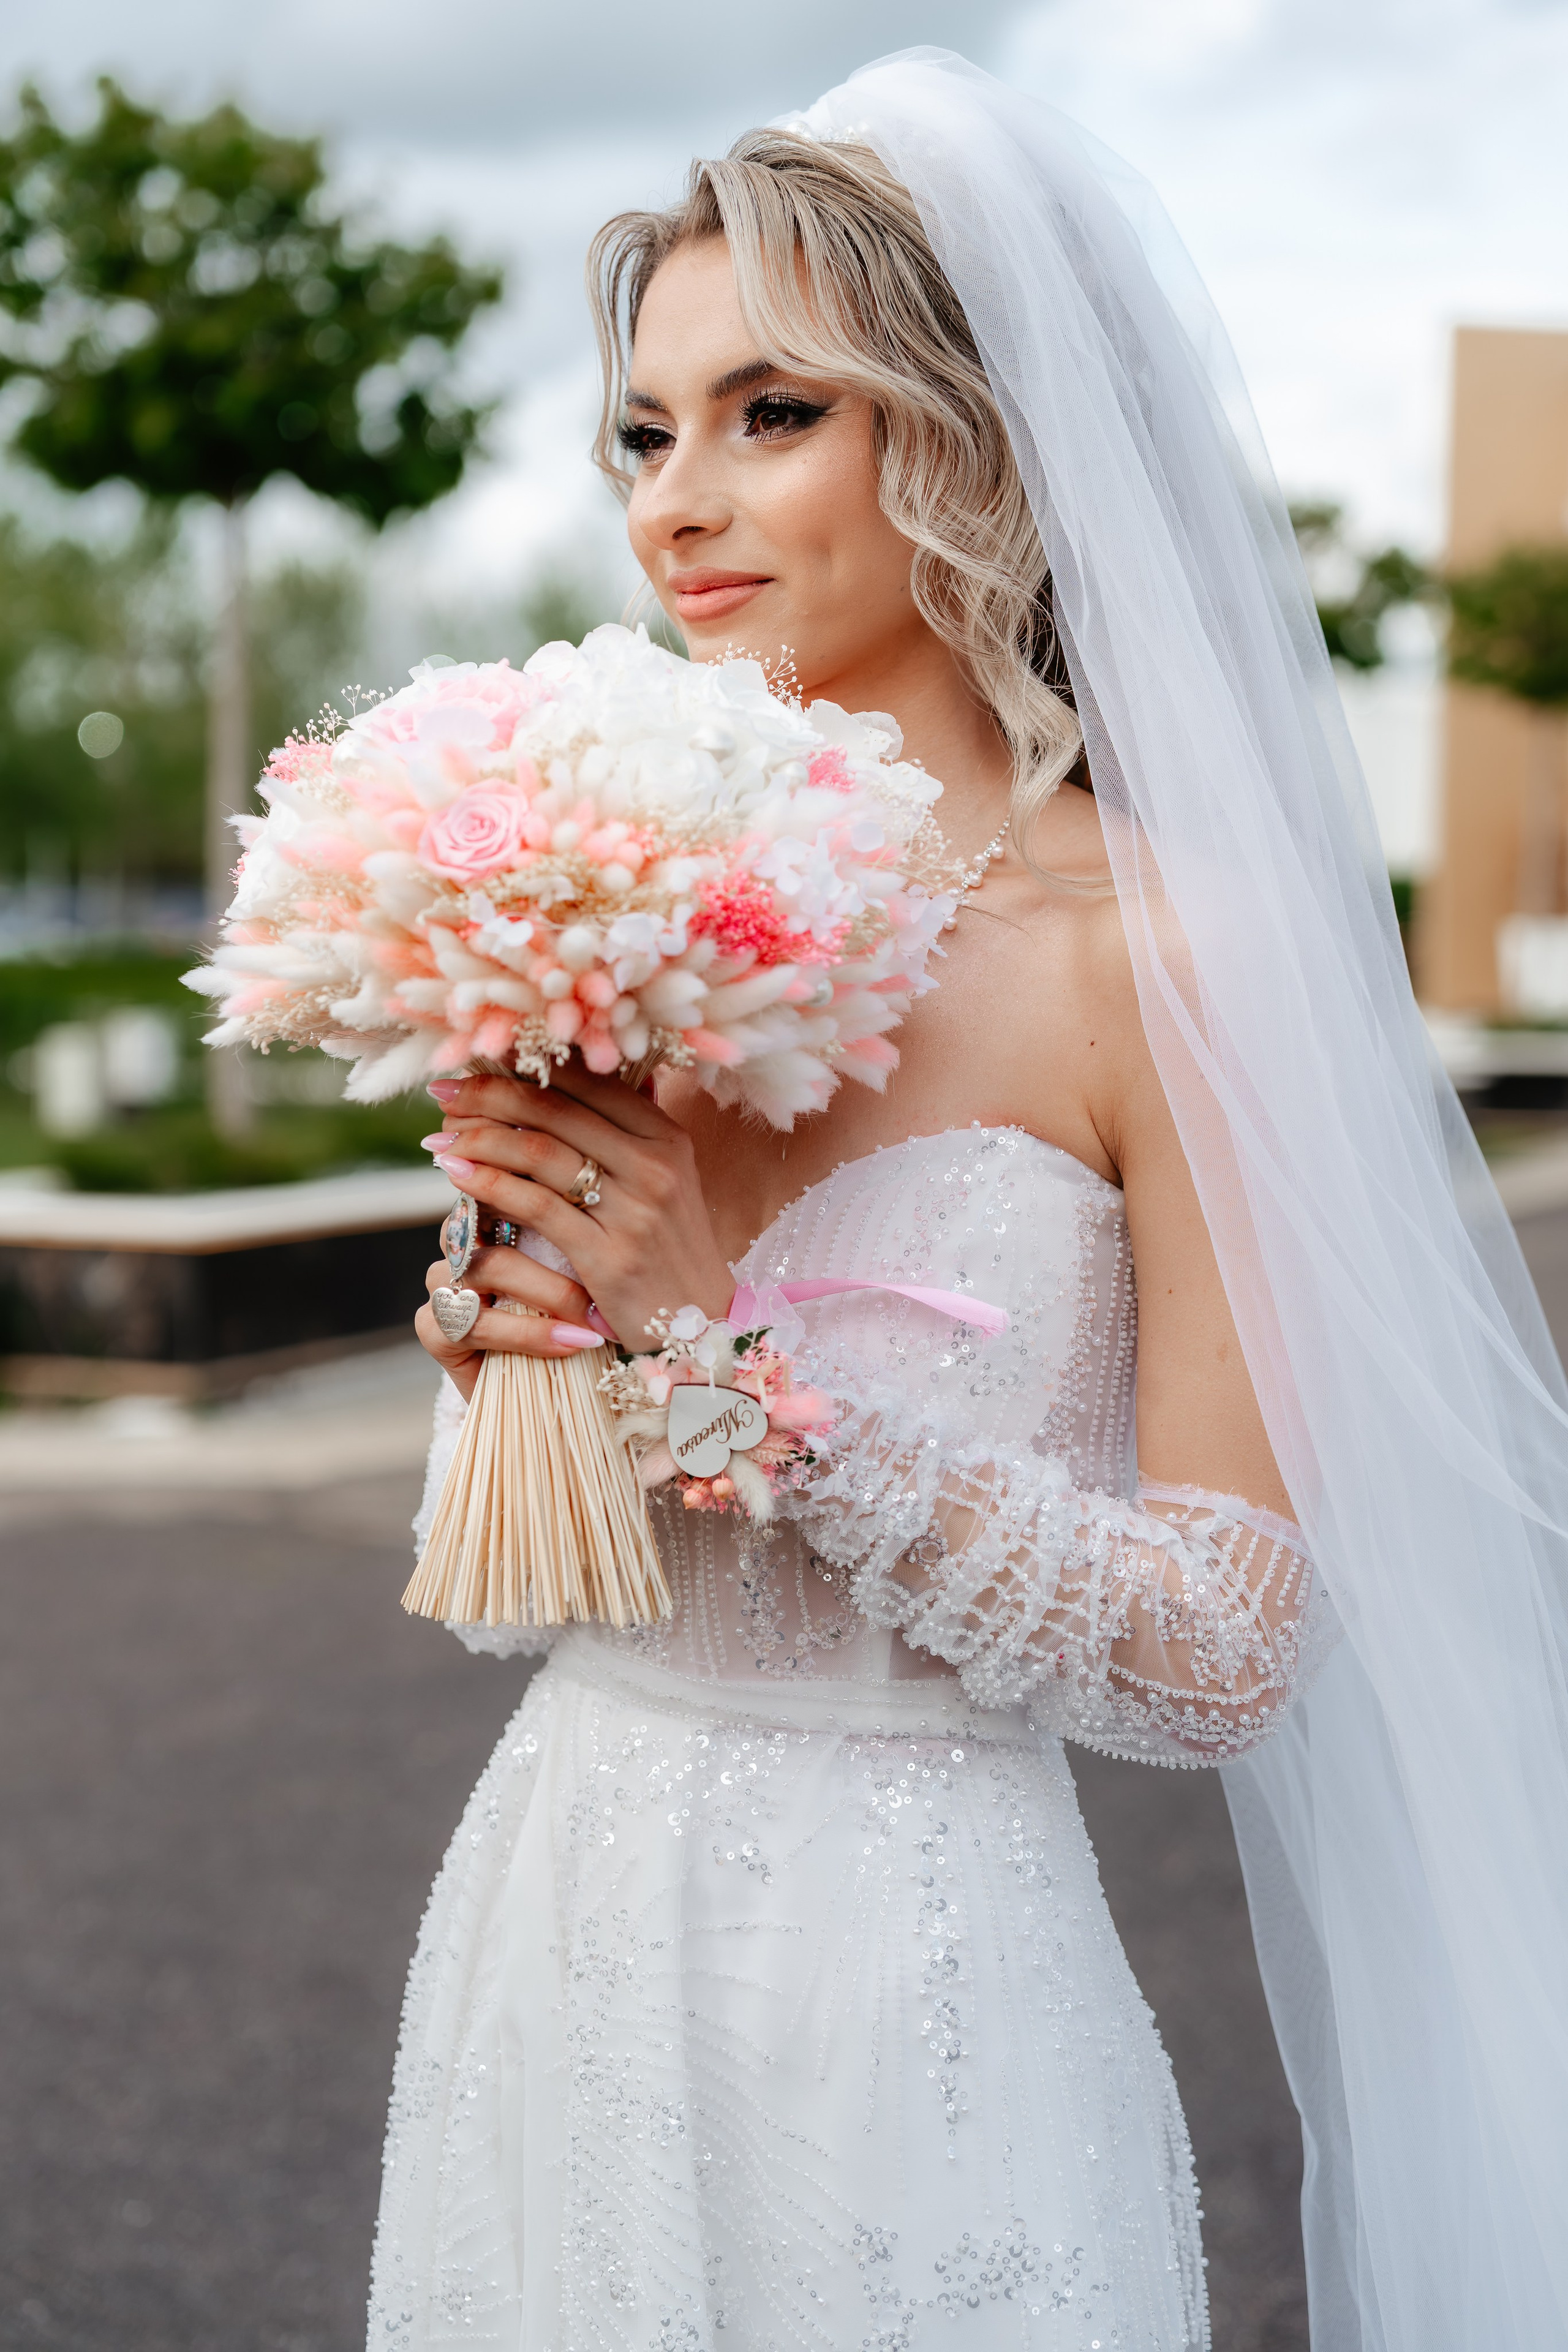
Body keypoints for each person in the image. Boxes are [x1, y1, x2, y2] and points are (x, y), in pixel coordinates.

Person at [368, 54, 1568, 2352]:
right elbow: (509, 1603)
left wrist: (748, 1379)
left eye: (769, 413)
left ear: (974, 438)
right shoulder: (616, 925)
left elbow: (1227, 1648)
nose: (677, 505)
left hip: (914, 1979)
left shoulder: (1164, 958)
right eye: (646, 431)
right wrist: (518, 1362)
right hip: (556, 1920)